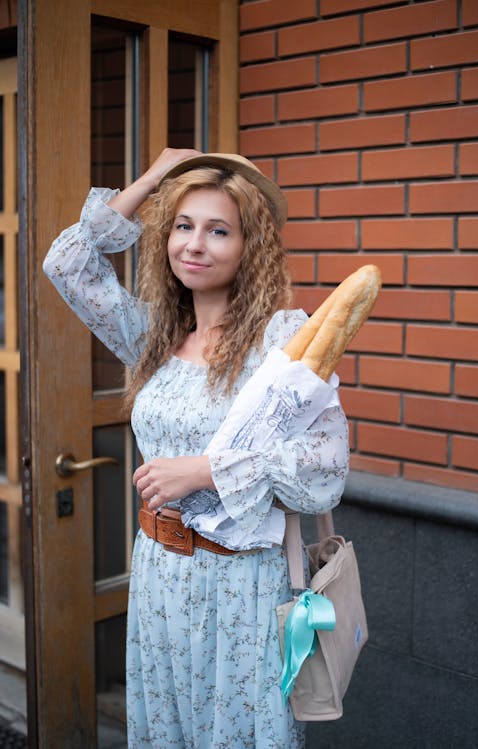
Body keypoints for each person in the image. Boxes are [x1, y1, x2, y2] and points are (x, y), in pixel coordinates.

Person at [43, 148, 350, 749]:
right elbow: (68, 263)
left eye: (218, 230)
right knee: (168, 731)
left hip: (241, 585)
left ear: (249, 246)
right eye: (182, 226)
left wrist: (208, 470)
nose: (194, 245)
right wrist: (157, 178)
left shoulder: (283, 341)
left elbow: (327, 468)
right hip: (159, 572)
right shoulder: (153, 334)